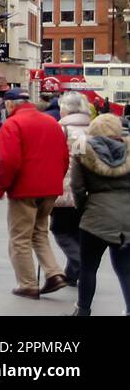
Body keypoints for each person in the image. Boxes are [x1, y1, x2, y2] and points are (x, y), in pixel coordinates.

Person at [0, 87, 69, 299]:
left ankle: (27, 283)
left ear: (9, 104)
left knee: (19, 237)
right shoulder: (51, 123)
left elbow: (8, 161)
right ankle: (54, 273)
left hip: (24, 189)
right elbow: (64, 157)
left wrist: (1, 188)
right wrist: (55, 181)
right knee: (39, 232)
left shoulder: (12, 124)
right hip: (50, 189)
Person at [69, 114, 130, 316]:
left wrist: (82, 208)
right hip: (126, 216)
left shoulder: (82, 149)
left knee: (89, 267)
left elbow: (77, 187)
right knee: (124, 266)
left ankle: (83, 310)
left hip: (95, 215)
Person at [51, 92, 93, 287]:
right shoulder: (93, 127)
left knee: (59, 229)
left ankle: (80, 264)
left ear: (67, 109)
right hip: (91, 188)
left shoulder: (64, 129)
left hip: (67, 187)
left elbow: (72, 159)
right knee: (76, 230)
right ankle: (72, 272)